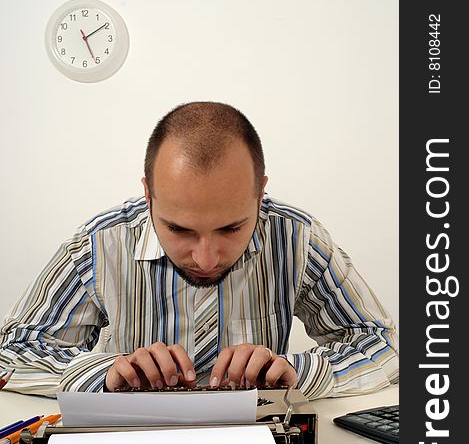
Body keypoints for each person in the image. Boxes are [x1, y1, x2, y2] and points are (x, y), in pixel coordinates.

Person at [0, 101, 398, 398]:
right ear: (148, 196)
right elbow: (12, 352)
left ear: (260, 194)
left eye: (231, 227)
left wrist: (293, 372)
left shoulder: (298, 240)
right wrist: (103, 374)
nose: (206, 258)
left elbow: (384, 344)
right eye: (178, 229)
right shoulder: (99, 244)